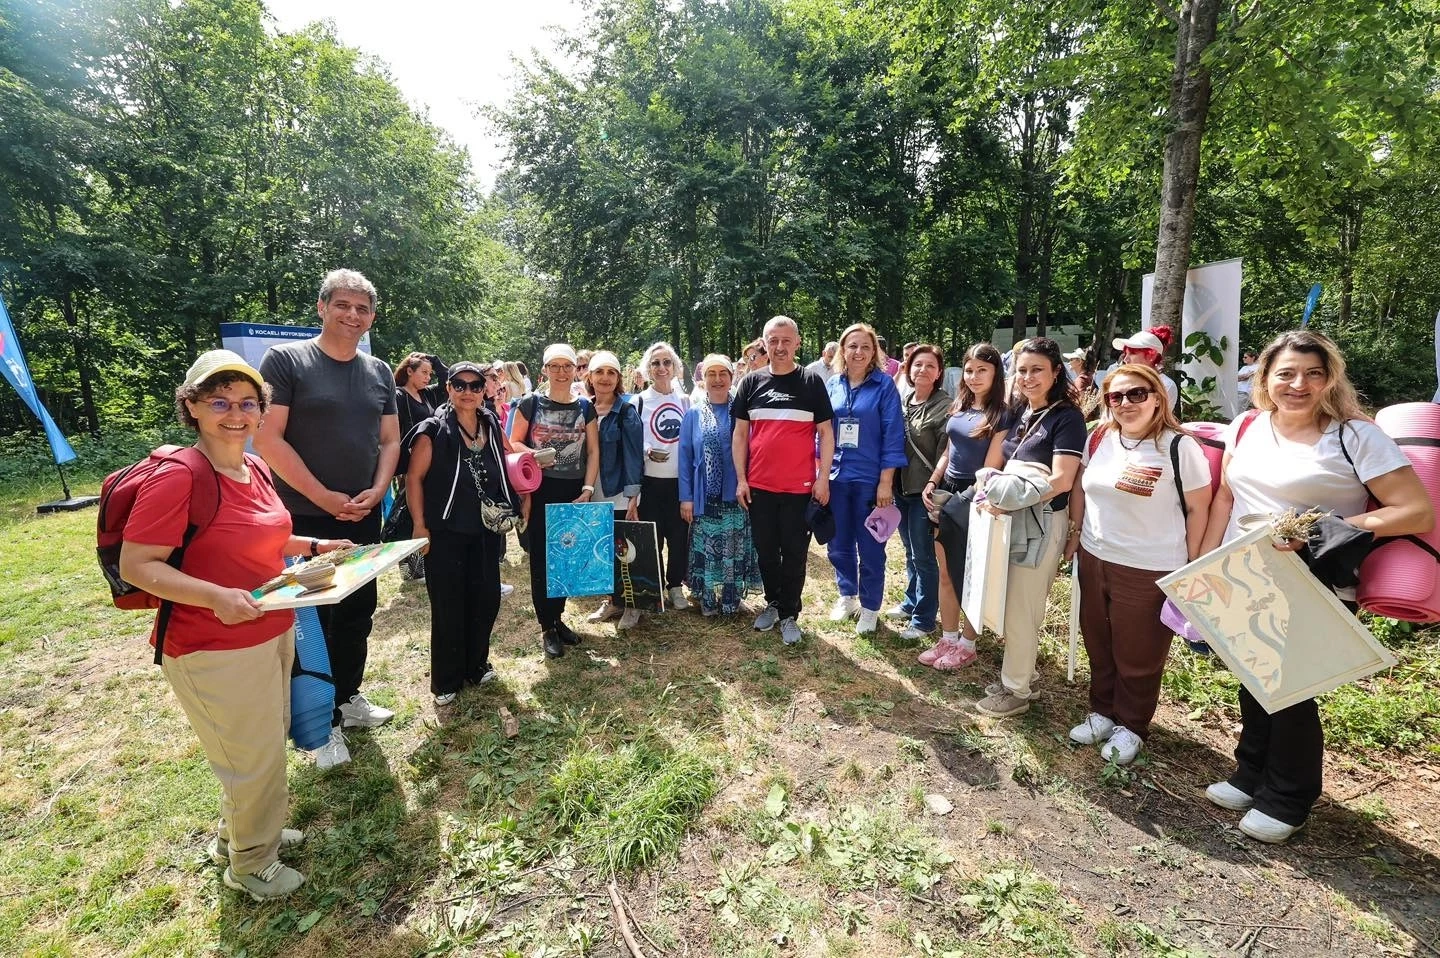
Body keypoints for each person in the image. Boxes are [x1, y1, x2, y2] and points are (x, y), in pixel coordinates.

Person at [120, 350, 352, 901]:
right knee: (254, 760)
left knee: (256, 745)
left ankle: (240, 836)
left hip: (268, 627)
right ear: (192, 406)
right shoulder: (179, 476)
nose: (236, 414)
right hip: (210, 644)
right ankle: (252, 864)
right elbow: (138, 565)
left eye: (249, 403)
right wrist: (217, 597)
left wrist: (318, 545)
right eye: (219, 401)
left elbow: (269, 540)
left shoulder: (257, 467)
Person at [1198, 330, 1432, 843]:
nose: (1297, 384)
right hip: (1245, 574)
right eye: (1285, 373)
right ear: (1265, 378)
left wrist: (1314, 526)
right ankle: (1250, 772)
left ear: (1330, 379)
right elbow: (1223, 500)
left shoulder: (1355, 436)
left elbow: (1415, 509)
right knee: (1254, 677)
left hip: (1315, 579)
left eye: (1312, 373)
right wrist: (1205, 562)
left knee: (1293, 689)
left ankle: (1288, 798)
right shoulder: (1247, 426)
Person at [255, 269, 399, 769]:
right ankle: (319, 728)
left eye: (362, 308)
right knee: (311, 624)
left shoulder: (379, 370)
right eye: (342, 305)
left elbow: (389, 441)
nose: (352, 315)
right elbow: (268, 439)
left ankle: (347, 699)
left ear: (372, 317)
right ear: (321, 307)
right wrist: (324, 496)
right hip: (303, 519)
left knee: (358, 612)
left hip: (362, 516)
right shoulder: (287, 361)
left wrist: (379, 490)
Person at [1064, 364, 1212, 765]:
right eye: (1116, 396)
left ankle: (1131, 725)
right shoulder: (1100, 437)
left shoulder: (1180, 448)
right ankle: (1101, 712)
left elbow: (1200, 508)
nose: (1126, 403)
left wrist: (1193, 563)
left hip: (1150, 566)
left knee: (1139, 653)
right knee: (1098, 639)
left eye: (1136, 394)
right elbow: (1081, 487)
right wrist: (1076, 536)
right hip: (1095, 557)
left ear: (1158, 398)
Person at [975, 338, 1087, 718]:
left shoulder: (1067, 418)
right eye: (1022, 370)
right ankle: (1022, 674)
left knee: (1023, 609)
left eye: (1037, 369)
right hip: (1013, 521)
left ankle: (1016, 691)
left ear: (1056, 372)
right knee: (1012, 603)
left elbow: (1062, 480)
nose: (1028, 377)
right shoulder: (1023, 412)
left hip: (1041, 524)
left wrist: (1004, 495)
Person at [406, 362, 528, 705]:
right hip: (445, 530)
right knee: (448, 604)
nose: (468, 392)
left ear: (484, 389)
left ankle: (476, 664)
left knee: (485, 597)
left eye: (475, 386)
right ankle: (447, 679)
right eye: (460, 385)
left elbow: (508, 455)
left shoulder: (489, 420)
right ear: (448, 388)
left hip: (486, 528)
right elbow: (414, 479)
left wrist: (529, 480)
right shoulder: (432, 430)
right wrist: (420, 526)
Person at [733, 316, 835, 646]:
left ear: (797, 343)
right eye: (773, 340)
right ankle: (774, 603)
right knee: (765, 551)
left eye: (785, 340)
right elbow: (739, 435)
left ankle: (790, 613)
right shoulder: (750, 383)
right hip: (759, 487)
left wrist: (823, 478)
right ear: (765, 343)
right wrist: (741, 479)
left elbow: (826, 433)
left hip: (799, 488)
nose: (779, 347)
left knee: (794, 554)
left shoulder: (811, 382)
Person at [920, 344, 1012, 669]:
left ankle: (968, 643)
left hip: (977, 498)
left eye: (982, 371)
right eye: (970, 370)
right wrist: (932, 482)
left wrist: (963, 500)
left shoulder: (1003, 413)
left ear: (996, 373)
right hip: (947, 492)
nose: (974, 377)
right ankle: (947, 637)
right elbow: (948, 452)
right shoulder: (960, 406)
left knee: (972, 574)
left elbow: (990, 468)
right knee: (945, 572)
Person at [509, 343, 601, 658]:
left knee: (565, 558)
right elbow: (513, 442)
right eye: (555, 366)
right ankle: (546, 627)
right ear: (545, 369)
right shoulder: (530, 403)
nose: (561, 372)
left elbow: (593, 452)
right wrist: (533, 454)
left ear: (576, 369)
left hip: (572, 491)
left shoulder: (585, 407)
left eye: (567, 366)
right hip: (539, 490)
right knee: (541, 562)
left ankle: (558, 618)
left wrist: (587, 489)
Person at [824, 323, 907, 635]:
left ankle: (871, 607)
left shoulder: (884, 386)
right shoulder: (833, 385)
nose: (858, 352)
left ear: (874, 352)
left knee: (871, 546)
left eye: (865, 347)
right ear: (843, 351)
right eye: (852, 346)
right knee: (838, 543)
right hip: (836, 477)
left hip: (870, 481)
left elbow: (893, 436)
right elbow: (823, 434)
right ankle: (848, 595)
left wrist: (886, 482)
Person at [679, 354, 763, 616]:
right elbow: (685, 458)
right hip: (705, 496)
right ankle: (707, 598)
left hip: (736, 495)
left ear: (731, 377)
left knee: (733, 547)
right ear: (703, 379)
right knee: (707, 547)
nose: (717, 379)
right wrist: (686, 497)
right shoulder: (693, 413)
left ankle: (731, 597)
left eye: (722, 374)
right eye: (711, 374)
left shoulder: (743, 411)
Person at [888, 344, 950, 641]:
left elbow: (945, 454)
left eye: (929, 365)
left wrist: (934, 484)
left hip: (924, 491)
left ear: (939, 373)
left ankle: (924, 619)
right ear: (908, 369)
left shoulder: (946, 406)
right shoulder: (904, 400)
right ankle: (911, 601)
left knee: (924, 556)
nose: (922, 370)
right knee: (911, 552)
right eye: (917, 365)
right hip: (900, 487)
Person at [584, 350, 645, 629]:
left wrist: (633, 495)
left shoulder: (626, 411)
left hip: (619, 491)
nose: (605, 378)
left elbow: (634, 455)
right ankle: (613, 600)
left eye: (611, 372)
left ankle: (632, 605)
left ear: (618, 378)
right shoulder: (583, 409)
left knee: (624, 550)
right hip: (591, 490)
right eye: (600, 372)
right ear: (590, 377)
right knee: (602, 549)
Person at [629, 341, 692, 610]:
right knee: (652, 537)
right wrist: (647, 450)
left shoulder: (687, 401)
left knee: (679, 537)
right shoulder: (639, 401)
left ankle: (675, 586)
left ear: (676, 367)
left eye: (667, 362)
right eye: (656, 363)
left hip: (680, 481)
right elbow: (632, 442)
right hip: (651, 482)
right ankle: (652, 588)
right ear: (648, 369)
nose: (662, 368)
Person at [392, 351, 447, 581]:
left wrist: (433, 359)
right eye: (423, 372)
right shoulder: (397, 395)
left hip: (429, 462)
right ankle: (409, 569)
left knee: (425, 511)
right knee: (407, 514)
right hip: (406, 464)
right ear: (409, 371)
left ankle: (422, 563)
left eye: (429, 373)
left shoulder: (428, 395)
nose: (428, 377)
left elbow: (447, 380)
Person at [1108, 329, 1179, 409]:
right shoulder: (1121, 381)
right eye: (1125, 354)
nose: (1125, 359)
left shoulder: (1165, 385)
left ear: (1151, 355)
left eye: (1132, 353)